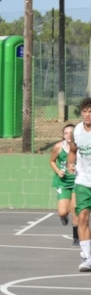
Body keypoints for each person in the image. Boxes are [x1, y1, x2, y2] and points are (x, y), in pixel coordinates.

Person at [68, 97, 91, 270]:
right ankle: (88, 257)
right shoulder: (76, 131)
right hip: (83, 180)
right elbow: (73, 151)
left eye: (90, 111)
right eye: (85, 111)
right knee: (82, 216)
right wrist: (71, 163)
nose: (87, 114)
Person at [50, 124, 78, 246]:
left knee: (75, 209)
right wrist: (58, 171)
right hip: (63, 182)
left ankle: (76, 237)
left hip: (77, 181)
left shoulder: (80, 147)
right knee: (62, 212)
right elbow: (51, 161)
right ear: (63, 135)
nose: (68, 135)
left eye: (71, 132)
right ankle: (63, 217)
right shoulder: (58, 147)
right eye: (66, 133)